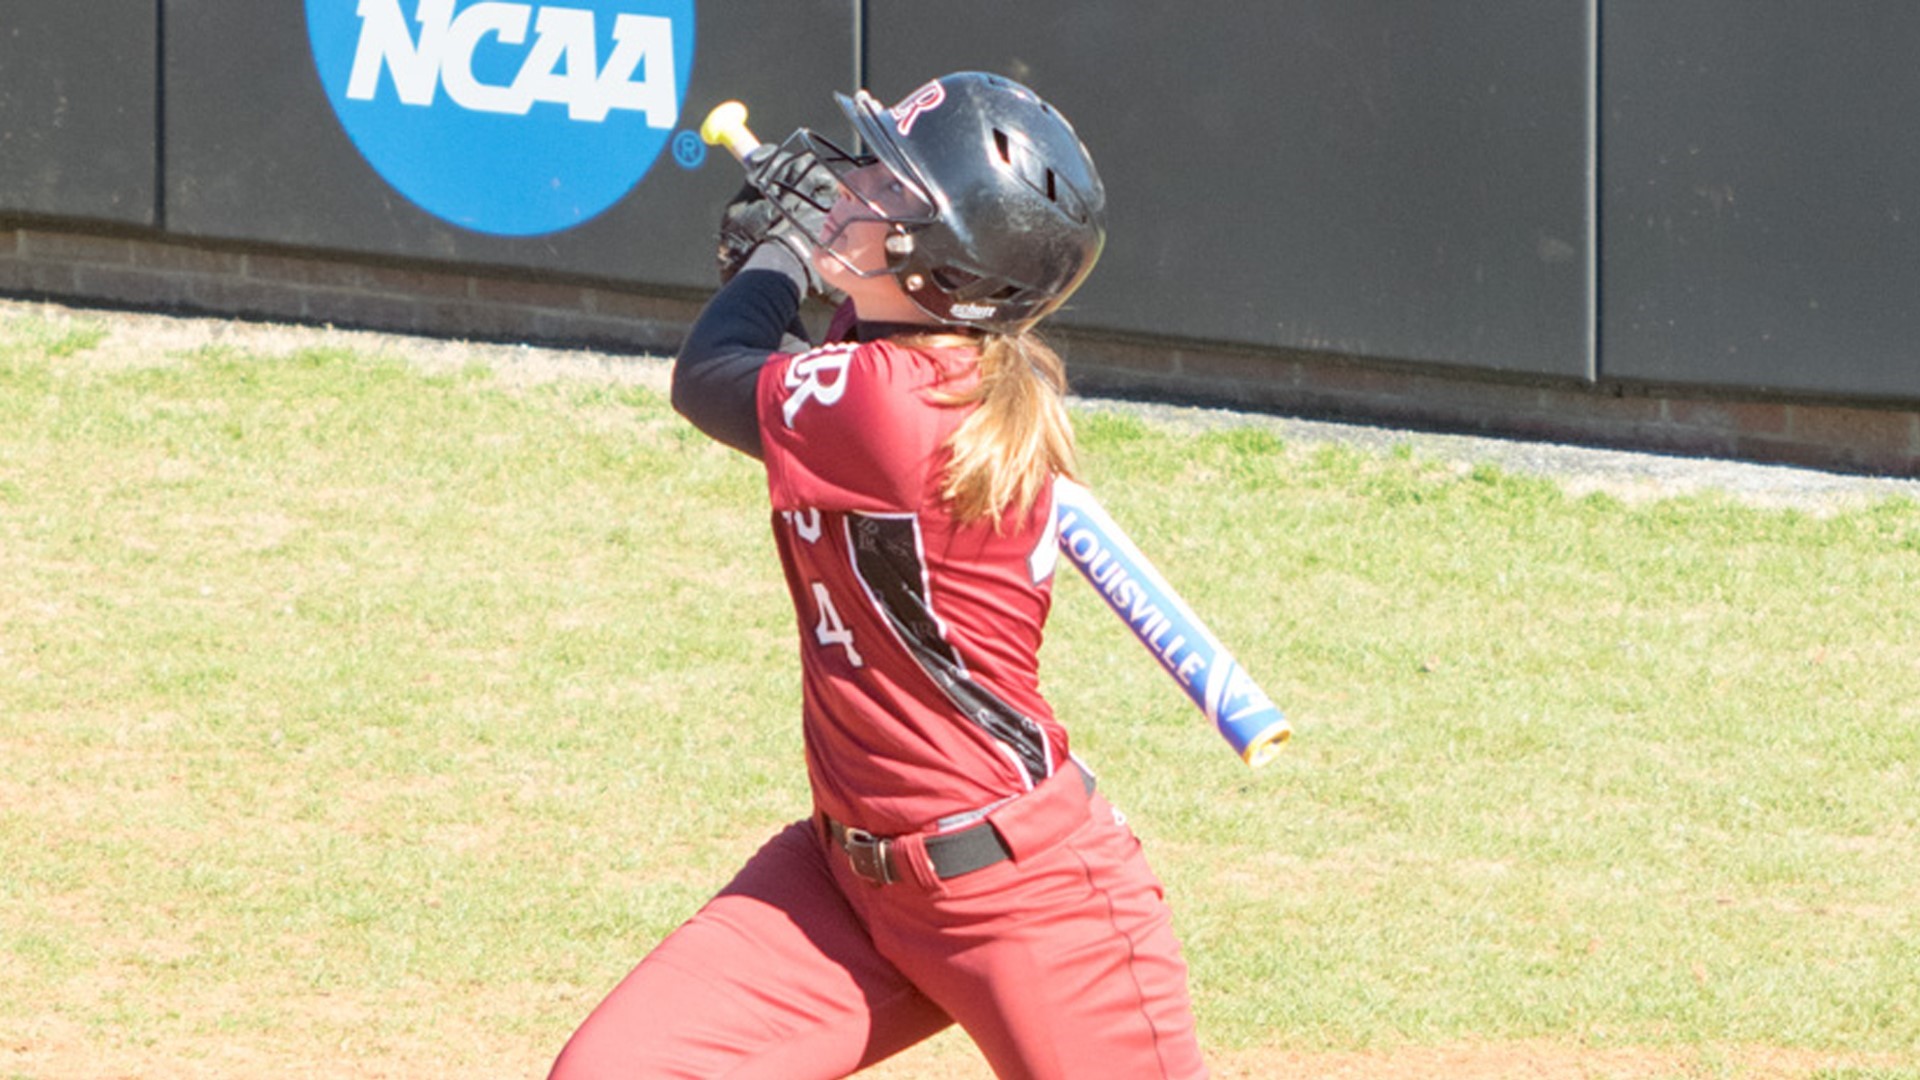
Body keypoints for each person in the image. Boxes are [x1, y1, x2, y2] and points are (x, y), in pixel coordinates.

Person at [547, 72, 1208, 1080]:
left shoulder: (890, 409)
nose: (853, 185)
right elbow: (819, 360)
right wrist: (801, 259)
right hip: (847, 886)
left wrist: (775, 253)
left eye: (887, 189)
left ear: (939, 264)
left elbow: (714, 372)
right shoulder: (922, 376)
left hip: (1027, 899)